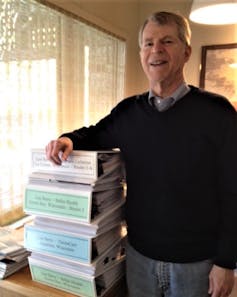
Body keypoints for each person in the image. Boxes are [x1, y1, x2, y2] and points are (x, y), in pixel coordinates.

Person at [46, 11, 237, 297]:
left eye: (166, 41)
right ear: (141, 54)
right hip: (138, 259)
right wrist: (67, 139)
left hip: (196, 264)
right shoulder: (127, 112)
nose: (155, 50)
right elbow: (93, 133)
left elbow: (233, 190)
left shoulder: (217, 112)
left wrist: (226, 262)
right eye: (148, 43)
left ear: (186, 52)